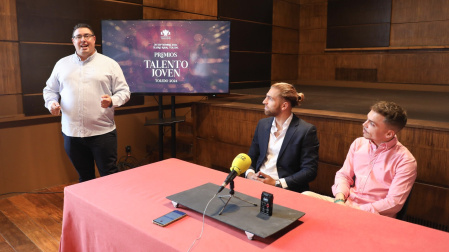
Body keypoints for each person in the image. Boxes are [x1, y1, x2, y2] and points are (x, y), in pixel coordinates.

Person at [43, 23, 131, 182]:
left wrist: (112, 100)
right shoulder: (62, 64)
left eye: (86, 36)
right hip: (72, 133)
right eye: (78, 37)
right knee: (85, 177)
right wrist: (51, 103)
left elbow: (124, 91)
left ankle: (110, 207)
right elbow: (50, 90)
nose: (83, 40)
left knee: (109, 175)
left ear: (94, 39)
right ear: (73, 41)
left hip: (102, 132)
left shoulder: (110, 64)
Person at [303, 101, 417, 218]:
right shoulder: (358, 143)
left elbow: (394, 203)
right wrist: (339, 200)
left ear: (389, 134)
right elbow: (344, 175)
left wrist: (355, 210)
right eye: (367, 119)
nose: (364, 124)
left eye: (372, 124)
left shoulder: (406, 161)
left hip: (374, 215)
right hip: (346, 204)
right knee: (305, 196)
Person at [246, 82, 319, 193]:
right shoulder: (262, 124)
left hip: (285, 189)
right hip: (257, 184)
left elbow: (309, 171)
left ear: (284, 105)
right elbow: (251, 157)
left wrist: (277, 183)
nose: (264, 101)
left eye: (269, 99)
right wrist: (250, 174)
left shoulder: (306, 130)